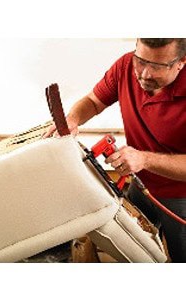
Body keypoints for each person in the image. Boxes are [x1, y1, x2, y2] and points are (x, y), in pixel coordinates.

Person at [44, 38, 186, 262]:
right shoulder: (126, 66)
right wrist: (73, 119)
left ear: (181, 62)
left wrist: (144, 160)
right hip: (141, 185)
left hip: (181, 197)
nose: (145, 74)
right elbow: (93, 101)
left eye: (157, 66)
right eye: (141, 60)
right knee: (133, 251)